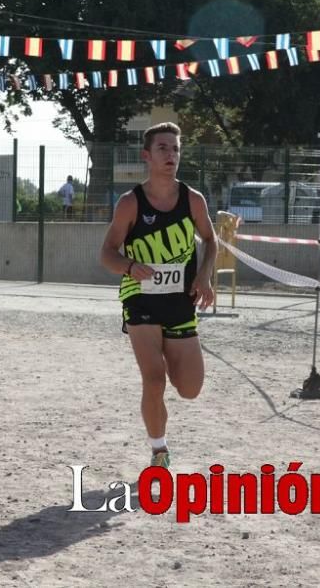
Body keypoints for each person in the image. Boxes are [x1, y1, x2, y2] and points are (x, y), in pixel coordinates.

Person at [99, 122, 217, 469]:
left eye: (176, 149)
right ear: (146, 156)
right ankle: (159, 450)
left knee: (190, 388)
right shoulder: (129, 203)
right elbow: (106, 253)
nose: (171, 155)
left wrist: (204, 275)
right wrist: (129, 266)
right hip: (141, 298)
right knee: (153, 377)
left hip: (180, 301)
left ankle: (168, 360)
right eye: (163, 148)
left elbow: (211, 240)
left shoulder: (192, 200)